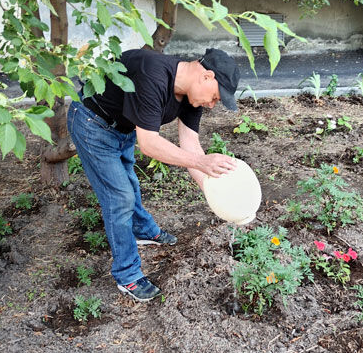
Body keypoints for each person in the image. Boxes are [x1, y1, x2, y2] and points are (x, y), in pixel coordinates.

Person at [67, 47, 239, 301]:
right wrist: (202, 162)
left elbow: (191, 147)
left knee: (129, 183)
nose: (212, 104)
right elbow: (148, 144)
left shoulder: (191, 98)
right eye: (215, 97)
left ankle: (141, 230)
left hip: (123, 129)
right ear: (207, 76)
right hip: (93, 125)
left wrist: (216, 196)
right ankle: (127, 275)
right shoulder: (154, 73)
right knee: (120, 197)